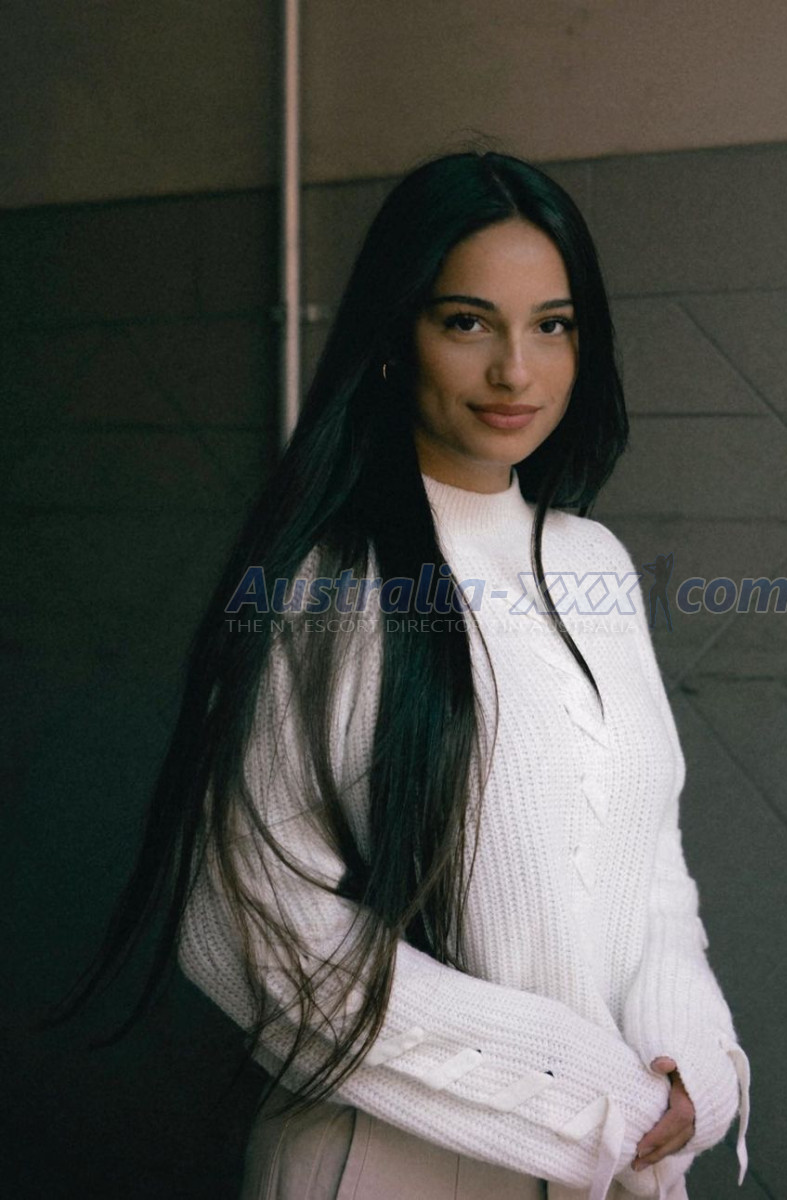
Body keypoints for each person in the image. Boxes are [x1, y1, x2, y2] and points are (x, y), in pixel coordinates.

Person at [50, 150, 749, 1199]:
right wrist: (588, 1099)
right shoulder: (325, 584)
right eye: (467, 322)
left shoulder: (593, 563)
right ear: (392, 338)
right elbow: (258, 928)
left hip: (615, 1165)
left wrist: (684, 1064)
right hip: (384, 1168)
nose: (515, 371)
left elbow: (647, 865)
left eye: (552, 325)